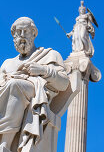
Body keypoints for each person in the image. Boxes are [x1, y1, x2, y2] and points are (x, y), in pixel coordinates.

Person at [0, 17, 69, 151]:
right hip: (5, 96)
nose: (21, 36)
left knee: (14, 85)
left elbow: (64, 83)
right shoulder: (7, 63)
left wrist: (43, 70)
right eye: (18, 33)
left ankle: (4, 144)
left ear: (34, 33)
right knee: (10, 85)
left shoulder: (49, 55)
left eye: (25, 31)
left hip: (33, 96)